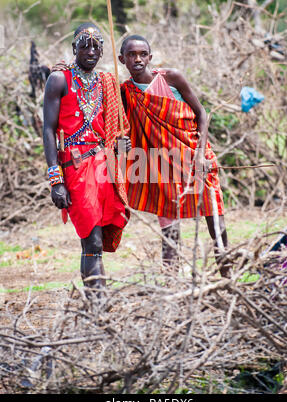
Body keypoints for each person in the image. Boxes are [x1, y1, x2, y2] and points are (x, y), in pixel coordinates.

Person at [119, 35, 229, 277]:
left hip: (195, 156)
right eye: (131, 55)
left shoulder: (172, 77)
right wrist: (121, 143)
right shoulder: (125, 93)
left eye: (142, 54)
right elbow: (121, 130)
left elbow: (201, 113)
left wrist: (200, 155)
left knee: (216, 221)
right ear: (122, 59)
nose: (137, 59)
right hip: (162, 167)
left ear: (150, 57)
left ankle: (228, 279)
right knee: (169, 228)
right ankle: (172, 286)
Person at [43, 23, 131, 298]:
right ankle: (98, 308)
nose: (91, 51)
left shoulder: (107, 81)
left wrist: (120, 142)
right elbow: (48, 129)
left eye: (96, 46)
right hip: (76, 169)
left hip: (105, 168)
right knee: (90, 239)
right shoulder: (60, 79)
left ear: (103, 50)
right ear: (74, 49)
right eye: (85, 45)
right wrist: (55, 180)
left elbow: (116, 128)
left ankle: (98, 306)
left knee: (101, 235)